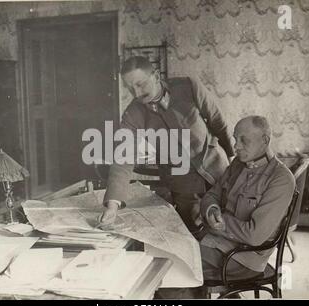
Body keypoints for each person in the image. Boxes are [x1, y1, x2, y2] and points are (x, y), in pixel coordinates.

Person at [98, 56, 234, 239]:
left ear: (155, 75)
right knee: (195, 236)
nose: (137, 93)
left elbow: (217, 121)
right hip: (183, 185)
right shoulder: (133, 113)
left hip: (218, 169)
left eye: (140, 84)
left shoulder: (188, 86)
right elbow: (123, 158)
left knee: (228, 227)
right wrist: (112, 207)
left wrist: (233, 159)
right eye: (130, 88)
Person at [199, 115, 295, 282]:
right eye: (235, 139)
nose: (236, 146)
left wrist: (220, 223)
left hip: (242, 259)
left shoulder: (281, 178)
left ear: (265, 140)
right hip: (217, 242)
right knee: (171, 254)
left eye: (244, 140)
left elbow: (254, 236)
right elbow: (212, 195)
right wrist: (212, 209)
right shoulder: (237, 164)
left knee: (172, 267)